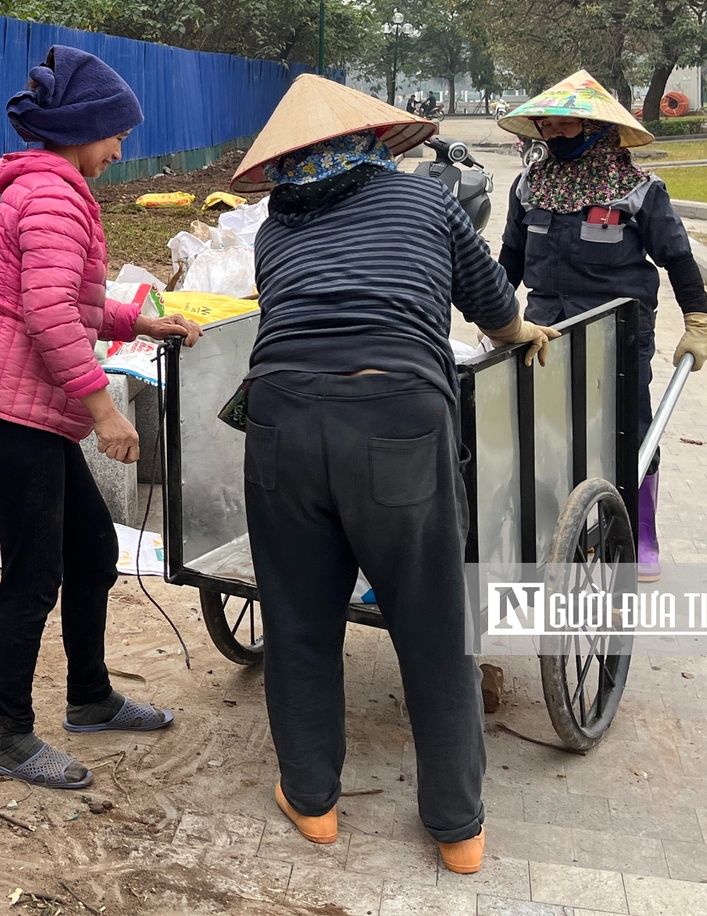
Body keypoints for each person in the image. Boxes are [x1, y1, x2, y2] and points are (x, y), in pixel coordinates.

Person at [230, 73, 558, 875]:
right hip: (397, 423)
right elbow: (493, 309)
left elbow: (290, 317)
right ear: (371, 141)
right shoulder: (426, 200)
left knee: (299, 620)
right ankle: (457, 829)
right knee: (433, 622)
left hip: (279, 424)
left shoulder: (273, 230)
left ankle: (312, 802)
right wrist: (521, 334)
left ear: (288, 161)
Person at [0, 45, 204, 791]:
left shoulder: (52, 189)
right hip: (14, 413)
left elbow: (74, 302)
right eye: (116, 135)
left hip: (29, 409)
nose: (121, 150)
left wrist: (141, 322)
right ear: (84, 128)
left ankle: (90, 697)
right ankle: (9, 737)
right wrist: (104, 411)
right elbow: (50, 315)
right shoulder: (54, 198)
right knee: (33, 577)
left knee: (93, 551)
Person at [497, 68, 707, 582]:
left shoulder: (638, 191)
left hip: (620, 332)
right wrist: (496, 316)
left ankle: (640, 534)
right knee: (546, 430)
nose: (554, 134)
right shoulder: (530, 186)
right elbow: (510, 258)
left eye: (566, 125)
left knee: (628, 431)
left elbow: (678, 258)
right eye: (547, 126)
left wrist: (698, 322)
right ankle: (562, 531)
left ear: (597, 129)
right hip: (545, 331)